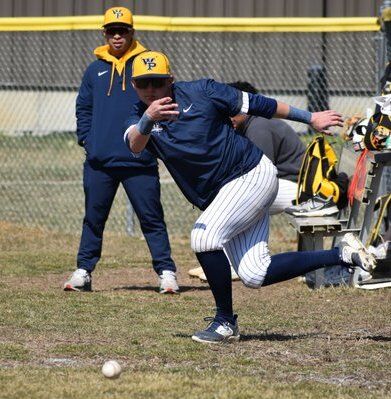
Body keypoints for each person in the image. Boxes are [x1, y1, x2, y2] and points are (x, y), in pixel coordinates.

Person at [124, 50, 376, 343]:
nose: (151, 89)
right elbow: (134, 145)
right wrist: (146, 120)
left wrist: (310, 117)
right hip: (226, 193)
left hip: (250, 174)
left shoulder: (202, 91)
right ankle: (342, 254)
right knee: (255, 274)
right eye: (144, 83)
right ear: (134, 85)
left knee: (203, 237)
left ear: (171, 79)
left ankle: (224, 322)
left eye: (157, 81)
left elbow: (257, 103)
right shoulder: (138, 115)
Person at [63, 8, 178, 294]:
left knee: (151, 219)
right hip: (99, 161)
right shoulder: (94, 69)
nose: (117, 35)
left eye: (123, 30)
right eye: (112, 30)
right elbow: (84, 108)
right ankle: (84, 271)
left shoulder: (145, 65)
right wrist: (88, 142)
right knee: (93, 217)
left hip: (139, 159)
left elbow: (164, 99)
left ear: (132, 32)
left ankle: (166, 272)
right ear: (104, 33)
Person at [189, 81, 306, 282]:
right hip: (287, 185)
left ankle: (232, 264)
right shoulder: (250, 124)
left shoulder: (259, 126)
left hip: (298, 188)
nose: (227, 115)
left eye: (231, 109)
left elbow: (259, 173)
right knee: (234, 203)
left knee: (239, 202)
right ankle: (226, 261)